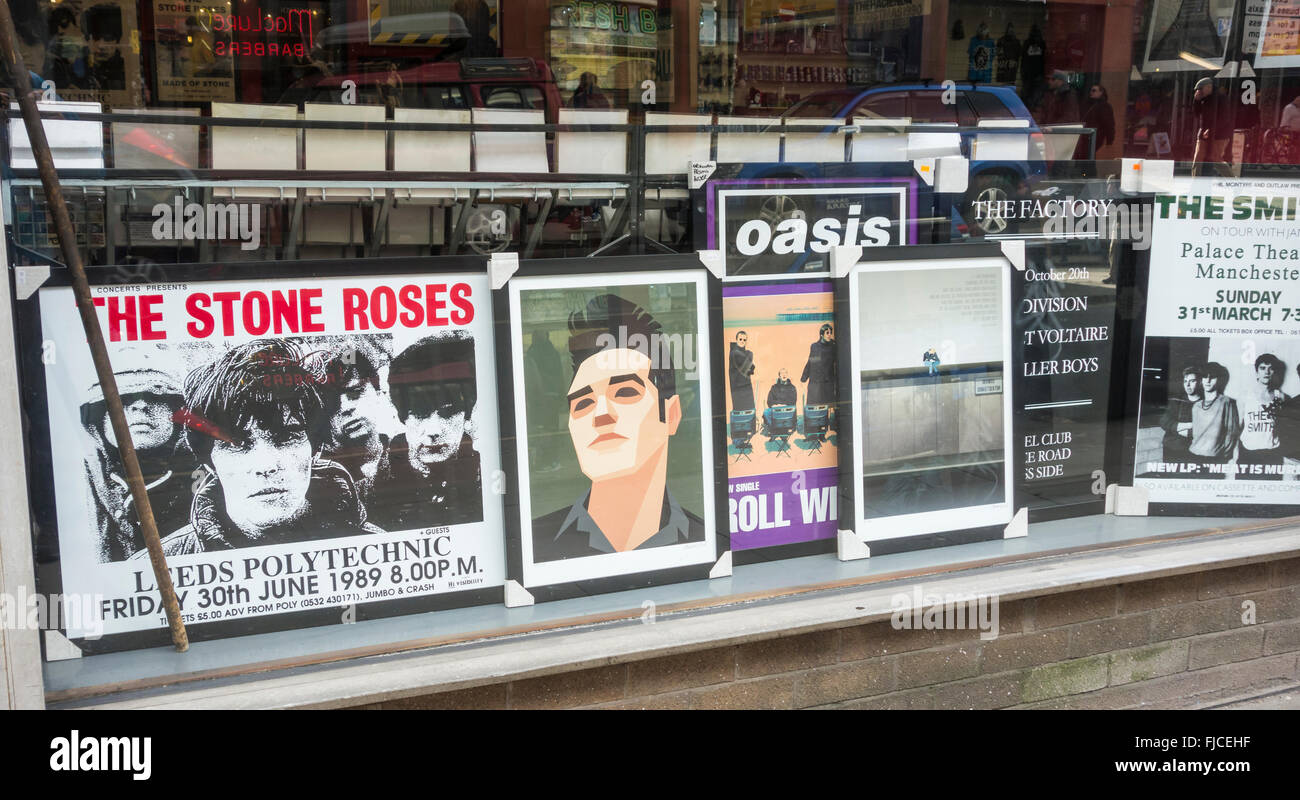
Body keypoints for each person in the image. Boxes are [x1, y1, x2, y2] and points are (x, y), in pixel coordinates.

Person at [144, 340, 382, 557]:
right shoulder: (158, 564)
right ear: (209, 460)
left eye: (286, 437)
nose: (265, 465)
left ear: (315, 448)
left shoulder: (378, 550)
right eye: (236, 444)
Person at [532, 294, 705, 562]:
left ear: (671, 414)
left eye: (625, 392)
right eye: (583, 403)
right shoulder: (535, 549)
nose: (601, 415)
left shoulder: (703, 542)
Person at [80, 357, 196, 562]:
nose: (141, 406)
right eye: (122, 398)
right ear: (98, 421)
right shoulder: (80, 485)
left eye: (156, 397)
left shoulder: (205, 480)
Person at [371, 334, 483, 531]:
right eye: (421, 413)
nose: (434, 430)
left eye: (448, 411)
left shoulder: (484, 477)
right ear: (402, 415)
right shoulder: (375, 484)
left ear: (467, 413)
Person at [312, 345, 389, 508]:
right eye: (331, 401)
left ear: (378, 393)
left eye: (355, 392)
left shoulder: (408, 454)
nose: (345, 407)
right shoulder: (316, 481)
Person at [1237, 353, 1290, 479]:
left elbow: (1284, 428)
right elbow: (1237, 428)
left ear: (1275, 372)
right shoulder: (1245, 396)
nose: (1267, 372)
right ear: (1256, 372)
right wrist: (1235, 455)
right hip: (1248, 452)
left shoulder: (1281, 397)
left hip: (1272, 453)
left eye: (1270, 368)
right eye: (1262, 368)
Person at [1187, 361, 1241, 478]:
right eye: (1205, 376)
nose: (1208, 380)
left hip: (1214, 458)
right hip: (1193, 454)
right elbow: (1196, 434)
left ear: (1219, 380)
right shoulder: (1196, 406)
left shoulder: (1226, 402)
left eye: (1212, 377)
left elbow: (1232, 432)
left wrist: (1223, 455)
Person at [1160, 366, 1201, 464]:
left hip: (1194, 451)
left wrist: (1184, 431)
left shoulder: (1205, 404)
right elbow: (1164, 422)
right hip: (1171, 448)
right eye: (1185, 381)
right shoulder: (1176, 401)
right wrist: (1189, 425)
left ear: (1199, 382)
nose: (1187, 385)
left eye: (1192, 381)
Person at [1191, 77, 1229, 173]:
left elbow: (1224, 118)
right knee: (1198, 158)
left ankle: (1232, 181)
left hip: (1219, 134)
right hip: (1204, 131)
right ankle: (1195, 183)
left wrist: (1211, 130)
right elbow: (1196, 114)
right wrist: (1196, 100)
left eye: (1201, 89)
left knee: (1217, 159)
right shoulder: (1203, 99)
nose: (1199, 92)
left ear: (1208, 87)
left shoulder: (1221, 98)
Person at [801, 323, 837, 405]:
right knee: (814, 406)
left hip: (827, 382)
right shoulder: (814, 346)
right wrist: (804, 378)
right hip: (815, 381)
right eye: (827, 333)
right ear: (821, 334)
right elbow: (810, 362)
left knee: (827, 406)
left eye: (831, 333)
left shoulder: (833, 346)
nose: (829, 335)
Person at [1078, 84, 1116, 159]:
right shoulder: (1088, 104)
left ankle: (1088, 170)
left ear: (1101, 92)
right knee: (1085, 158)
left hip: (1095, 136)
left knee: (1087, 157)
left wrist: (1110, 140)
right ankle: (1088, 170)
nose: (1091, 92)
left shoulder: (1104, 106)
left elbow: (1109, 124)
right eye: (1091, 90)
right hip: (1085, 135)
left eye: (1094, 90)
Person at [728, 331, 756, 412]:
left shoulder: (748, 353)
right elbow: (751, 367)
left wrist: (749, 362)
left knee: (749, 412)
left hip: (746, 387)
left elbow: (749, 368)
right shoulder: (734, 353)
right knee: (740, 414)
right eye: (740, 339)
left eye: (744, 340)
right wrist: (750, 362)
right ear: (736, 340)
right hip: (737, 389)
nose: (742, 341)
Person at [764, 368, 797, 433]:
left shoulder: (792, 387)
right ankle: (774, 428)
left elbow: (793, 401)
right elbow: (769, 401)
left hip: (787, 409)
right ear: (779, 376)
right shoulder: (774, 387)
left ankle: (785, 429)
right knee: (766, 412)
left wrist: (784, 405)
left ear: (787, 375)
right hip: (776, 409)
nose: (784, 375)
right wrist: (776, 405)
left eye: (785, 373)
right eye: (782, 373)